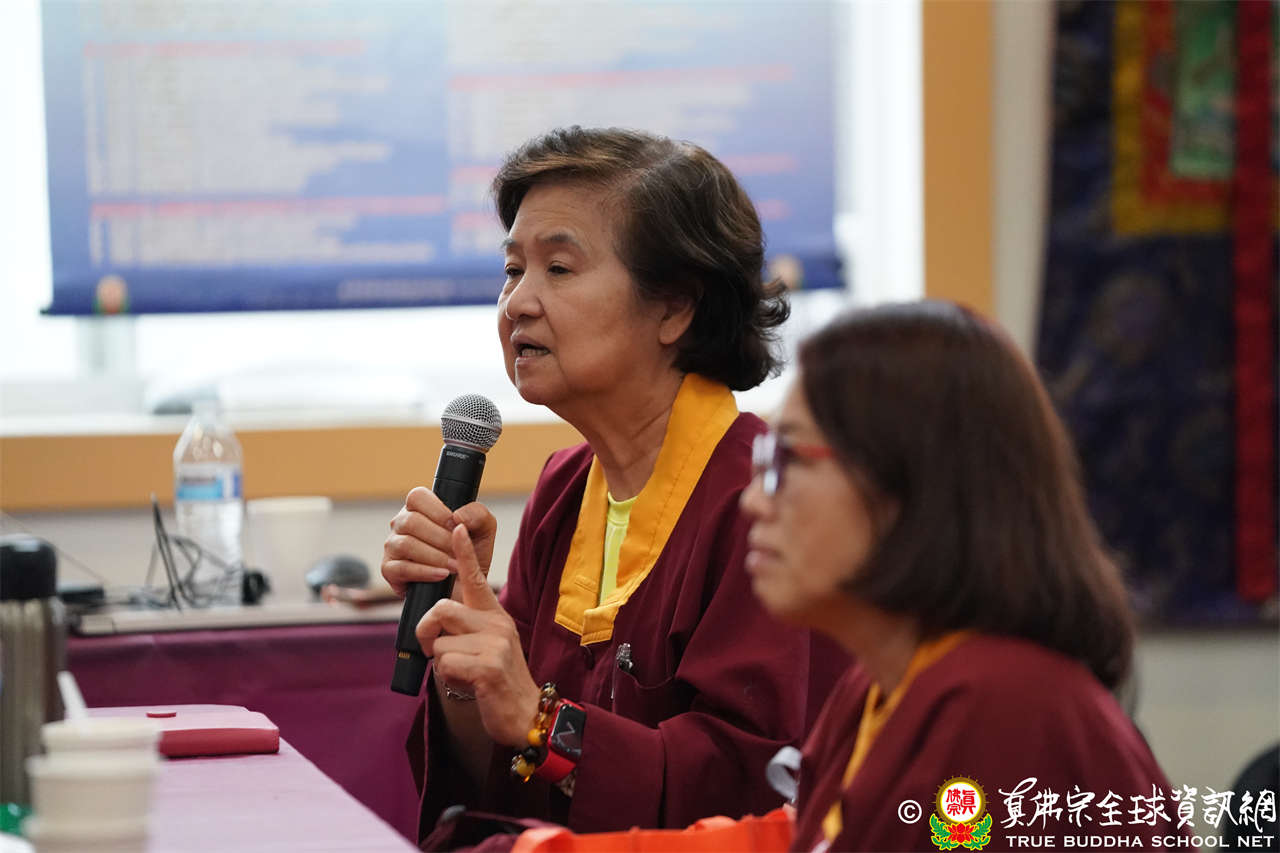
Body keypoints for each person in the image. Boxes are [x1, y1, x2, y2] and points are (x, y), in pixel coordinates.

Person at [381, 126, 845, 845]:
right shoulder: (564, 488)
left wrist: (544, 722)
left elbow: (754, 793)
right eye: (512, 269)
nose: (517, 303)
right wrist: (463, 660)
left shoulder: (767, 502)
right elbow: (500, 779)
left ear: (675, 308)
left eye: (559, 268)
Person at [740, 301, 1183, 852]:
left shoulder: (1006, 713)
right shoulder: (872, 690)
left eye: (790, 459)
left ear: (914, 484)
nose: (752, 500)